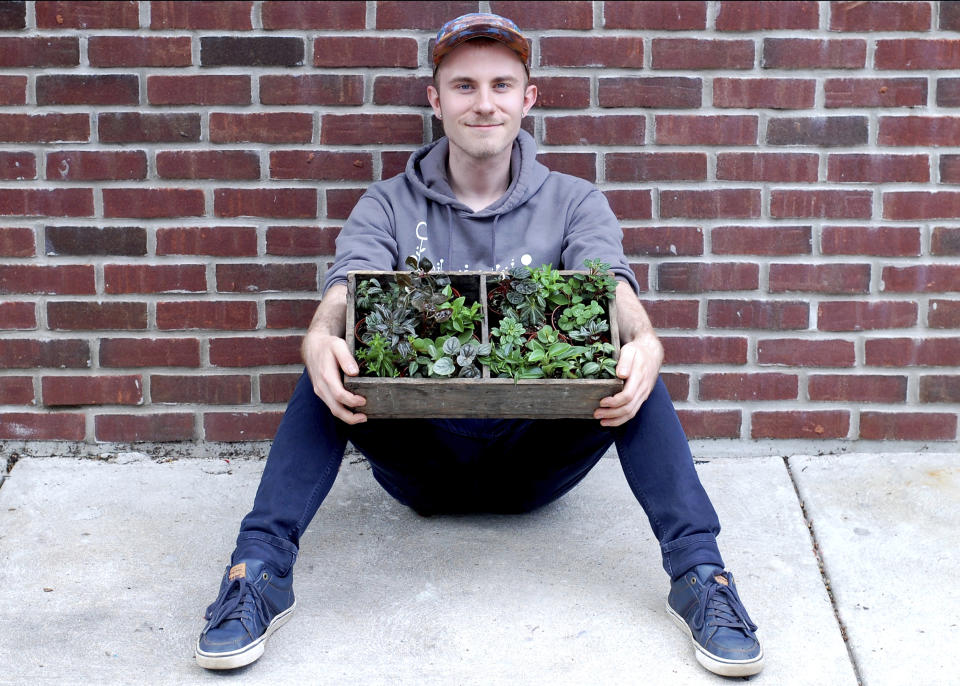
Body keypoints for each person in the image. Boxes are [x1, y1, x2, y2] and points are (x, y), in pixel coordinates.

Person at [194, 13, 764, 678]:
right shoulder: (386, 205)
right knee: (329, 363)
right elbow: (343, 291)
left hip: (536, 455)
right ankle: (258, 572)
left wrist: (646, 342)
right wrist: (320, 334)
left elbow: (616, 290)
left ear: (529, 97)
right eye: (463, 86)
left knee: (632, 369)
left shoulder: (574, 202)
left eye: (501, 85)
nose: (484, 102)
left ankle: (701, 577)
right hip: (424, 456)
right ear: (436, 101)